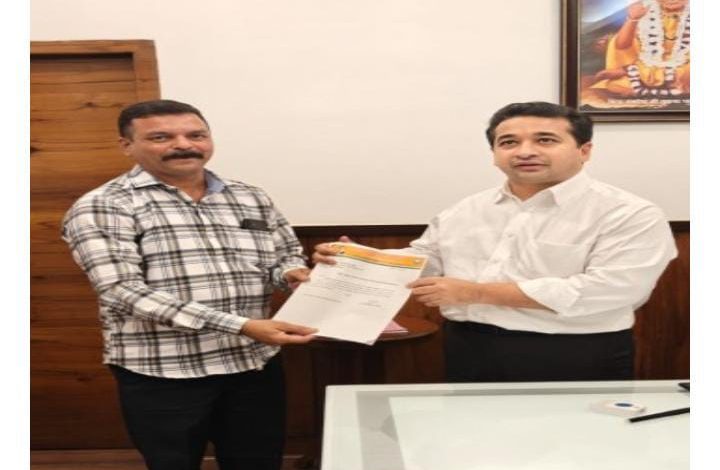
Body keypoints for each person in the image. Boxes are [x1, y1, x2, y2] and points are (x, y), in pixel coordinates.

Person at [313, 101, 677, 383]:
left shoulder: (628, 213)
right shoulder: (467, 209)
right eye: (509, 142)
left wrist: (476, 292)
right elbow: (424, 259)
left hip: (575, 353)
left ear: (584, 150)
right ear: (494, 154)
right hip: (469, 347)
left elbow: (612, 289)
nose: (524, 151)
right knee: (474, 445)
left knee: (579, 448)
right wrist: (358, 260)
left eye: (545, 140)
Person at [62, 99, 317, 470]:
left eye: (196, 135)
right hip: (163, 371)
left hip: (253, 362)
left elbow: (283, 257)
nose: (183, 144)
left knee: (258, 462)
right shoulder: (104, 205)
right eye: (161, 137)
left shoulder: (250, 196)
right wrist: (241, 325)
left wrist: (293, 275)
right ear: (127, 145)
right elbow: (123, 291)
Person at [587, 0, 690, 99]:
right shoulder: (646, 9)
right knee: (615, 85)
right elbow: (622, 45)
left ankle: (631, 73)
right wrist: (632, 19)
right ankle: (654, 81)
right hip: (650, 64)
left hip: (685, 67)